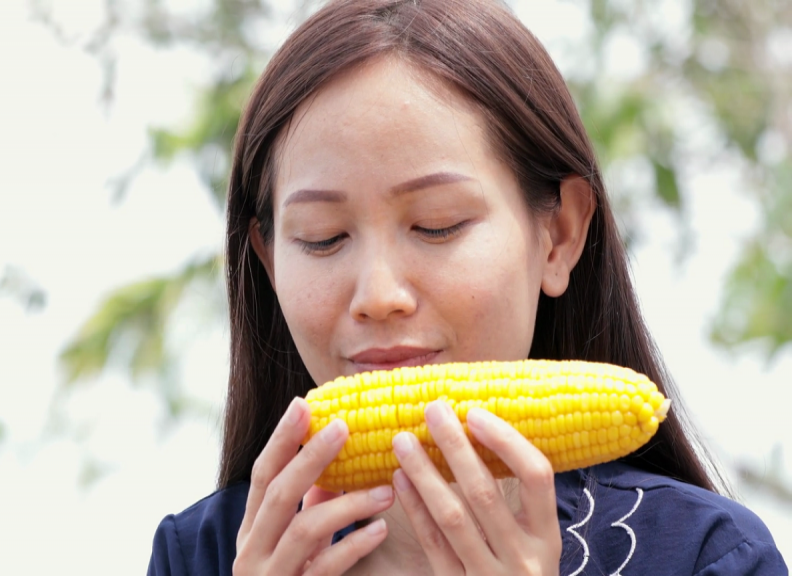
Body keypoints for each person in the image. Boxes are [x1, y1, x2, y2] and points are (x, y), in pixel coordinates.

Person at [147, 0, 789, 573]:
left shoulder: (708, 555)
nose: (378, 294)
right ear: (266, 262)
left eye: (437, 225)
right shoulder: (200, 556)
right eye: (322, 237)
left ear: (559, 235)